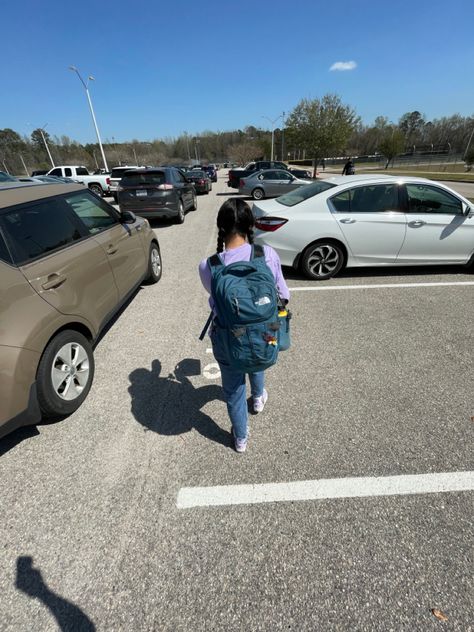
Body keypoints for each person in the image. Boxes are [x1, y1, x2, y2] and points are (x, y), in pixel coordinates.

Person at [199, 198, 290, 453]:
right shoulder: (267, 254)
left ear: (220, 226)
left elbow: (215, 297)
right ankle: (259, 398)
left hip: (228, 337)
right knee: (256, 355)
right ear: (251, 225)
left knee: (233, 390)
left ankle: (240, 438)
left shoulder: (209, 265)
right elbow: (284, 294)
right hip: (265, 332)